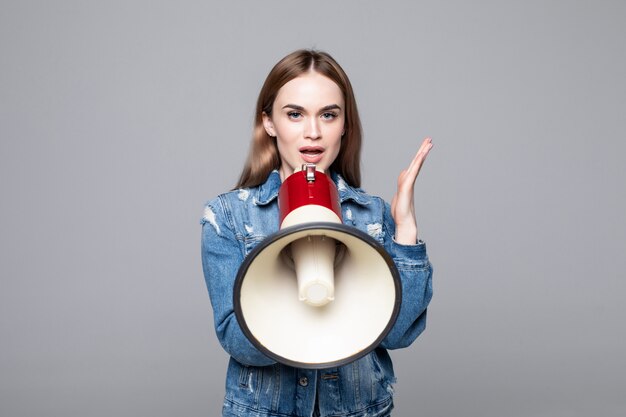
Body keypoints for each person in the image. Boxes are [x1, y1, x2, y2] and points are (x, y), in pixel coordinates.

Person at [201, 49, 433, 417]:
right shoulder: (228, 216)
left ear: (345, 125)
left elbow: (398, 333)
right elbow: (236, 340)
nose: (313, 132)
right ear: (270, 123)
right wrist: (300, 297)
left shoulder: (372, 215)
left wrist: (405, 228)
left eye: (328, 115)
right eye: (295, 114)